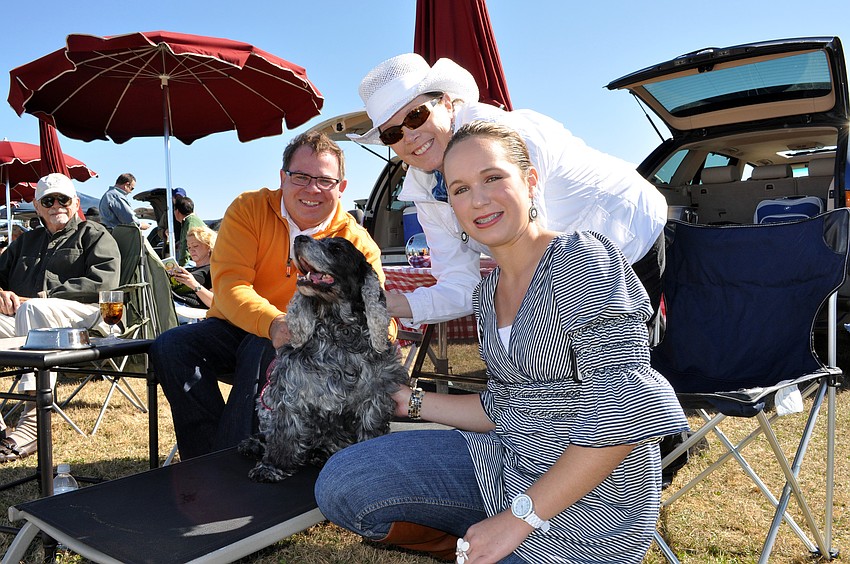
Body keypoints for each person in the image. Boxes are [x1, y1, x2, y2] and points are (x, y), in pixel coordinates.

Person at [316, 122, 688, 563]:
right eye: (459, 189)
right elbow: (507, 408)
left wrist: (518, 520)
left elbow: (628, 412)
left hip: (590, 504)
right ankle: (463, 541)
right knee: (342, 482)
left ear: (530, 181)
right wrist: (405, 401)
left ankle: (496, 541)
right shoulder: (486, 293)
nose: (478, 200)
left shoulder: (581, 260)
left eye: (493, 178)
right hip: (505, 464)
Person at [350, 53, 667, 335]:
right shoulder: (425, 189)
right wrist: (385, 304)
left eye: (416, 115)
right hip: (563, 260)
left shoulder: (503, 141)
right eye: (393, 133)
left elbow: (536, 260)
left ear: (446, 103)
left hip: (625, 234)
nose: (410, 135)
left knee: (609, 373)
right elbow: (461, 284)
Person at [149, 131, 390, 460]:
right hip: (243, 324)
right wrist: (274, 321)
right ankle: (205, 461)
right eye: (301, 177)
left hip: (312, 347)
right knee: (171, 346)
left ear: (341, 188)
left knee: (269, 348)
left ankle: (232, 468)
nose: (312, 189)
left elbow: (378, 316)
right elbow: (230, 284)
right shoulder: (250, 209)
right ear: (282, 177)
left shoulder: (356, 242)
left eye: (324, 180)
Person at [0, 173, 120, 462]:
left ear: (75, 202)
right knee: (30, 311)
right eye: (48, 200)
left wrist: (39, 298)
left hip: (86, 315)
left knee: (34, 309)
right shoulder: (25, 241)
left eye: (63, 199)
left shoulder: (95, 234)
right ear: (37, 206)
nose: (57, 205)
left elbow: (104, 284)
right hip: (26, 319)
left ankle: (33, 420)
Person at [170, 224, 216, 309]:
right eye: (189, 247)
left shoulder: (213, 270)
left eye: (195, 246)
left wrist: (193, 284)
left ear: (208, 246)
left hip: (186, 308)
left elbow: (214, 303)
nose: (191, 250)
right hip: (173, 302)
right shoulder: (189, 268)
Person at [173, 196, 206, 266]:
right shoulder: (190, 221)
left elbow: (186, 247)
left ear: (177, 211)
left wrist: (182, 266)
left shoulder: (190, 222)